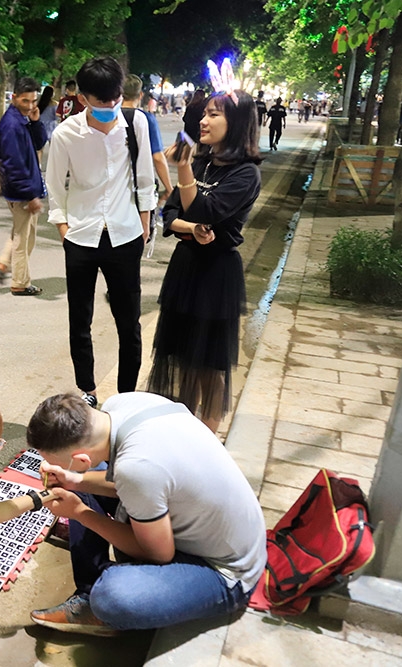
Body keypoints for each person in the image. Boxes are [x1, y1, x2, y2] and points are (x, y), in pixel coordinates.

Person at [25, 392, 266, 636]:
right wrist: (74, 479)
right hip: (200, 523)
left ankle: (100, 604)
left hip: (226, 571)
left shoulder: (136, 467)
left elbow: (158, 554)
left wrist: (80, 513)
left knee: (112, 597)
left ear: (81, 459)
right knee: (76, 483)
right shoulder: (123, 404)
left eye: (59, 464)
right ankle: (88, 589)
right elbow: (136, 481)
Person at [147, 90, 262, 433]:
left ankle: (205, 441)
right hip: (185, 270)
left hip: (216, 276)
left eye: (214, 114)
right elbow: (169, 213)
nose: (203, 120)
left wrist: (182, 170)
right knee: (180, 358)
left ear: (237, 123)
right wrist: (192, 227)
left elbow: (203, 209)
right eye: (205, 114)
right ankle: (178, 434)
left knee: (210, 367)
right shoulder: (201, 163)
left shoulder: (245, 174)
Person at [46, 58, 156, 407]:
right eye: (102, 101)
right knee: (80, 319)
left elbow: (144, 176)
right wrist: (64, 227)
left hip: (125, 235)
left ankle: (126, 395)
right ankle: (88, 390)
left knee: (129, 321)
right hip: (81, 236)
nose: (110, 107)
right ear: (83, 98)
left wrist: (145, 223)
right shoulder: (66, 134)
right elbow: (55, 185)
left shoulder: (135, 122)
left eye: (115, 99)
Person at [0, 77, 47, 296]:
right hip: (21, 193)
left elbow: (40, 142)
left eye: (33, 101)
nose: (30, 105)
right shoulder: (11, 124)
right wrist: (30, 195)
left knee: (23, 235)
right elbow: (13, 164)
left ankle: (8, 267)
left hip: (24, 189)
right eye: (25, 101)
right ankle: (20, 282)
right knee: (22, 238)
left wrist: (36, 122)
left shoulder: (22, 119)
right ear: (14, 97)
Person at [123, 74, 173, 213]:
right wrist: (169, 188)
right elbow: (157, 157)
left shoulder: (110, 117)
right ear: (140, 95)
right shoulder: (145, 119)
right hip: (138, 186)